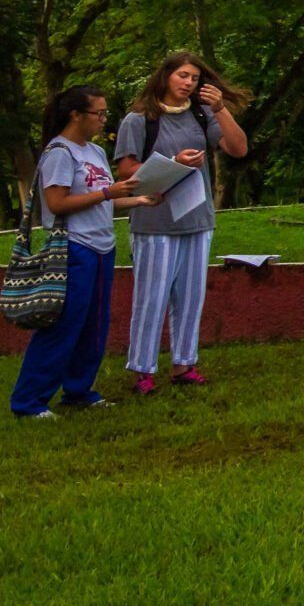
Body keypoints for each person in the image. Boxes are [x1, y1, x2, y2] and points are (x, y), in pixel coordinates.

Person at [113, 50, 250, 392]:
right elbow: (126, 172)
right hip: (155, 219)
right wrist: (172, 162)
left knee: (190, 298)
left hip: (196, 217)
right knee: (152, 297)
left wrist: (220, 108)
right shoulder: (140, 118)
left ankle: (183, 365)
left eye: (194, 78)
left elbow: (238, 148)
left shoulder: (203, 115)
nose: (188, 83)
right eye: (182, 76)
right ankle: (143, 371)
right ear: (165, 76)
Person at [11, 87, 153, 417]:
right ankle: (29, 402)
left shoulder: (94, 152)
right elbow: (58, 203)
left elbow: (105, 198)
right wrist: (107, 192)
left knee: (94, 324)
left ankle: (78, 391)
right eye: (99, 114)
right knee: (63, 325)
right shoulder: (60, 152)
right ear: (76, 115)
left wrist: (138, 200)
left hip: (102, 246)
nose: (104, 120)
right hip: (74, 247)